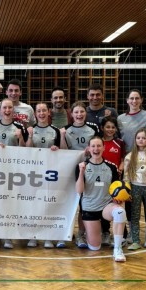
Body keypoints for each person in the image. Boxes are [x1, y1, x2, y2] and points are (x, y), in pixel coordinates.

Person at [75, 136, 127, 263]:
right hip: (89, 208)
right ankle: (88, 235)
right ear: (88, 148)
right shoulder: (82, 166)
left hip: (106, 206)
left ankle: (118, 249)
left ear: (104, 148)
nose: (96, 149)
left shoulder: (111, 167)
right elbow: (79, 190)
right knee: (95, 247)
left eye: (99, 146)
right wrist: (81, 172)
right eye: (93, 146)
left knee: (120, 212)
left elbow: (116, 189)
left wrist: (119, 199)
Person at [0, 98, 27, 250]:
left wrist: (20, 137)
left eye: (10, 108)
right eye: (4, 107)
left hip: (12, 172)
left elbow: (25, 149)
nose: (7, 110)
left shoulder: (19, 127)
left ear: (13, 110)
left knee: (9, 203)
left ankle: (7, 235)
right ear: (0, 109)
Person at [61, 101, 100, 248]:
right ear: (71, 114)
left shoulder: (93, 128)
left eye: (82, 111)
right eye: (76, 112)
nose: (79, 114)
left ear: (86, 113)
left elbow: (98, 147)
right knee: (67, 203)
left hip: (89, 170)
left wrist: (90, 151)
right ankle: (64, 234)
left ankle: (81, 235)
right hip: (69, 170)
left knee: (84, 204)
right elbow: (63, 151)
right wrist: (62, 137)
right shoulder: (65, 130)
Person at [26, 102, 62, 249]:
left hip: (50, 172)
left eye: (44, 110)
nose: (41, 113)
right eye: (39, 111)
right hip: (33, 173)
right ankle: (32, 235)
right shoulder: (30, 130)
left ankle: (48, 236)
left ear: (48, 112)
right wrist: (29, 136)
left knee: (48, 204)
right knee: (33, 205)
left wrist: (56, 148)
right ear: (35, 114)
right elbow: (26, 151)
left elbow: (63, 151)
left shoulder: (55, 131)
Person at [99, 116, 127, 246]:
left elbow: (122, 159)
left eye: (113, 127)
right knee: (104, 205)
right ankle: (105, 232)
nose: (110, 129)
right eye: (107, 127)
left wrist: (120, 168)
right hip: (102, 180)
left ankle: (123, 235)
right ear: (102, 128)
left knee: (118, 206)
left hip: (115, 182)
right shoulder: (99, 142)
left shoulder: (119, 142)